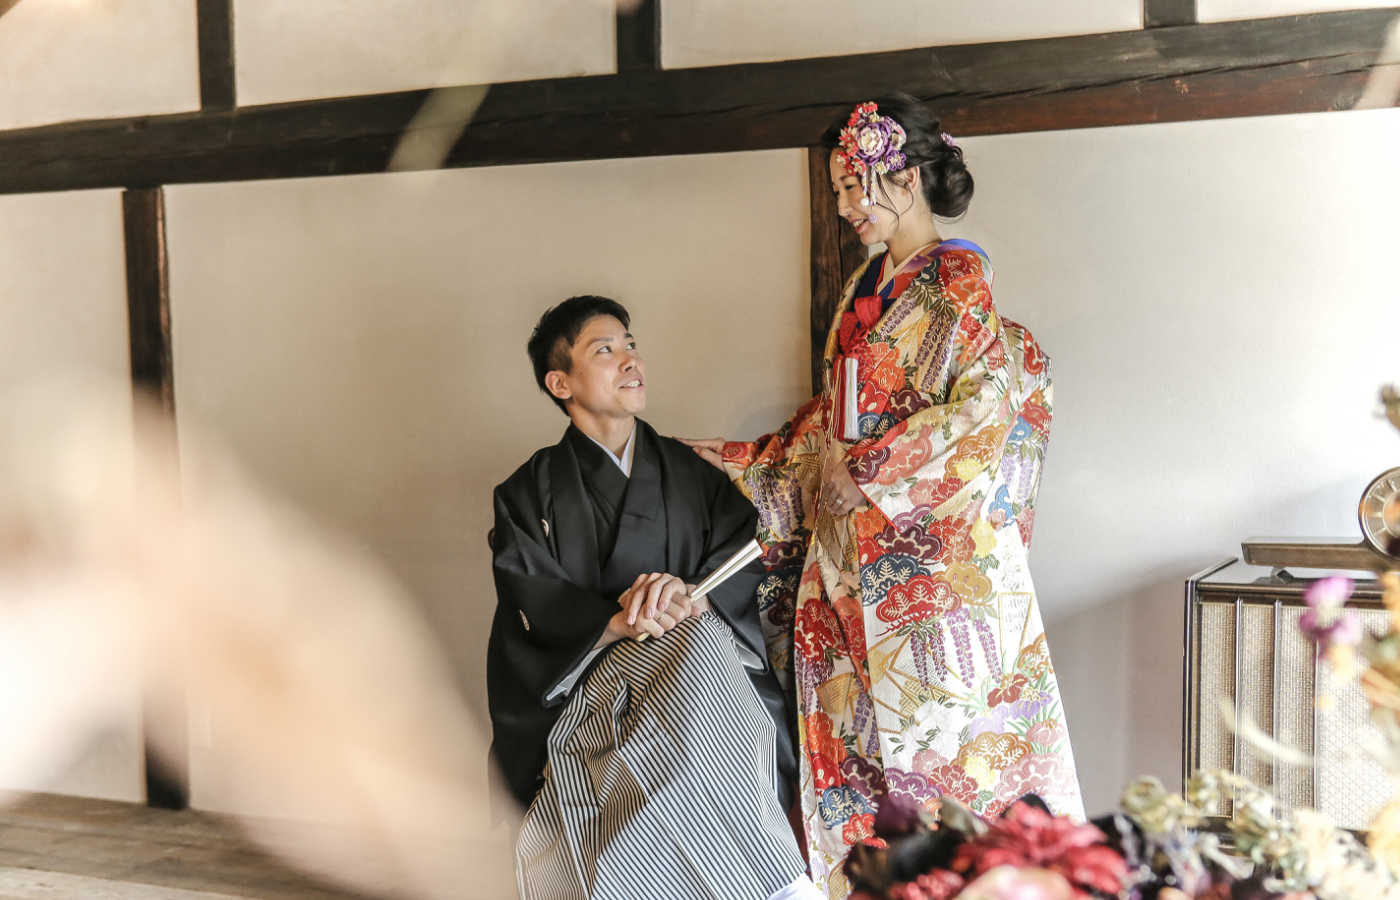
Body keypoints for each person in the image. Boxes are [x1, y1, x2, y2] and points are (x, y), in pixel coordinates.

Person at [683, 96, 1084, 897]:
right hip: (847, 565)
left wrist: (869, 470)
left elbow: (984, 412)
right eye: (836, 189)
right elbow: (832, 425)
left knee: (944, 773)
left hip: (929, 576)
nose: (842, 205)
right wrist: (733, 463)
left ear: (902, 178)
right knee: (858, 771)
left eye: (851, 186)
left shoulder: (958, 278)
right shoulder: (865, 288)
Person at [486, 295, 817, 900]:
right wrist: (619, 619)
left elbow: (741, 560)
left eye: (631, 344)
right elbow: (529, 601)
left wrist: (687, 596)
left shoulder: (691, 473)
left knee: (698, 652)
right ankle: (778, 887)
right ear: (560, 383)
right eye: (605, 349)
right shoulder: (526, 493)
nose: (630, 360)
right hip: (596, 682)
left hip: (704, 671)